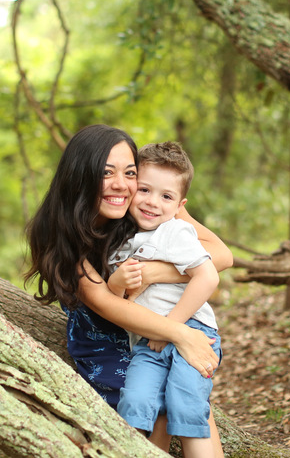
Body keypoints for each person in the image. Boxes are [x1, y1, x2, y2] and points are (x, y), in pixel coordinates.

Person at [24, 124, 232, 456]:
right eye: (107, 173)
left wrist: (151, 273)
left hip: (152, 325)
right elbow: (107, 303)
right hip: (108, 336)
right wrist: (179, 333)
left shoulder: (151, 200)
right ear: (83, 175)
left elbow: (221, 255)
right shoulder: (60, 231)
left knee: (179, 393)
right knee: (147, 399)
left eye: (129, 172)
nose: (122, 184)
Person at [108, 141, 221, 458]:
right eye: (144, 190)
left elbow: (208, 276)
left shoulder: (175, 232)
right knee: (135, 402)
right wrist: (116, 284)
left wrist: (171, 326)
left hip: (193, 330)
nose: (152, 203)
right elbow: (119, 304)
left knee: (184, 403)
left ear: (179, 204)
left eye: (166, 196)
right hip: (148, 342)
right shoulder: (120, 243)